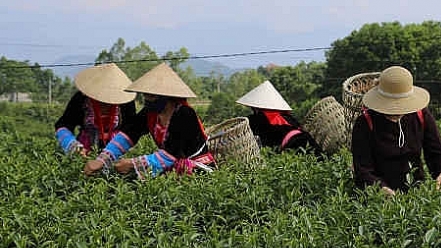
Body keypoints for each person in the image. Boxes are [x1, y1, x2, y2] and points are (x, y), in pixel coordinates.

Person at [83, 62, 212, 179]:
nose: (147, 99)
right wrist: (103, 159)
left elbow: (173, 153)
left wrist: (133, 164)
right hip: (171, 166)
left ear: (166, 96)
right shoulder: (151, 113)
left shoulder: (184, 114)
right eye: (145, 95)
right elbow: (129, 133)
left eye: (151, 95)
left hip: (197, 167)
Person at [351, 65, 441, 195]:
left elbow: (438, 152)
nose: (396, 111)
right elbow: (362, 168)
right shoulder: (365, 123)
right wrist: (381, 188)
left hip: (416, 192)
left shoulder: (420, 115)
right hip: (376, 197)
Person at [54, 63, 137, 157]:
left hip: (117, 148)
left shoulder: (125, 100)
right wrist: (73, 145)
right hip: (85, 148)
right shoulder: (81, 98)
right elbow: (63, 124)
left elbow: (131, 128)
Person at [236, 80, 322, 154]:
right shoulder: (289, 117)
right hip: (307, 141)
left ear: (256, 107)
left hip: (291, 147)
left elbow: (238, 129)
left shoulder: (256, 119)